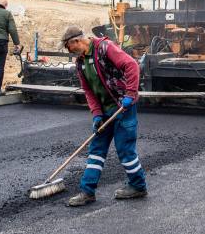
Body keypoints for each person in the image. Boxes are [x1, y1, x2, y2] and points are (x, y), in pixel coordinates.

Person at [61, 25, 147, 207]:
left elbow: (131, 65)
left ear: (77, 41)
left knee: (125, 150)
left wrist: (130, 95)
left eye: (72, 49)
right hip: (105, 110)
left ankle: (138, 186)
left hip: (123, 107)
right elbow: (88, 91)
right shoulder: (81, 62)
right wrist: (96, 114)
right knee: (96, 149)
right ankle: (87, 191)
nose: (73, 53)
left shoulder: (105, 48)